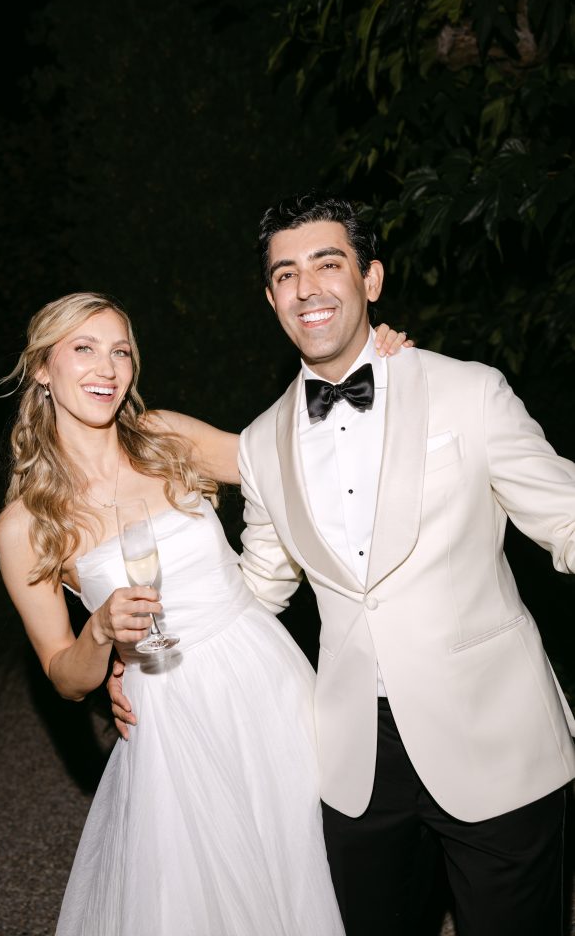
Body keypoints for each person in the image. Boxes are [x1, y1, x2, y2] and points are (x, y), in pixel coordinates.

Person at [0, 290, 409, 936]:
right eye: (84, 349)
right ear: (42, 368)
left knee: (319, 865)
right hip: (169, 714)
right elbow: (62, 674)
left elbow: (294, 457)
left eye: (120, 351)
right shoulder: (24, 524)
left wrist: (368, 372)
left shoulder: (163, 436)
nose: (106, 368)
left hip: (263, 677)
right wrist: (99, 633)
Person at [230, 191, 575, 936]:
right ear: (269, 297)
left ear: (371, 279)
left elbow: (565, 516)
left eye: (328, 263)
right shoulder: (257, 444)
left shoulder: (469, 390)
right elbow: (256, 589)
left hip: (494, 734)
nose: (306, 288)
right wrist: (149, 661)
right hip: (354, 762)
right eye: (285, 274)